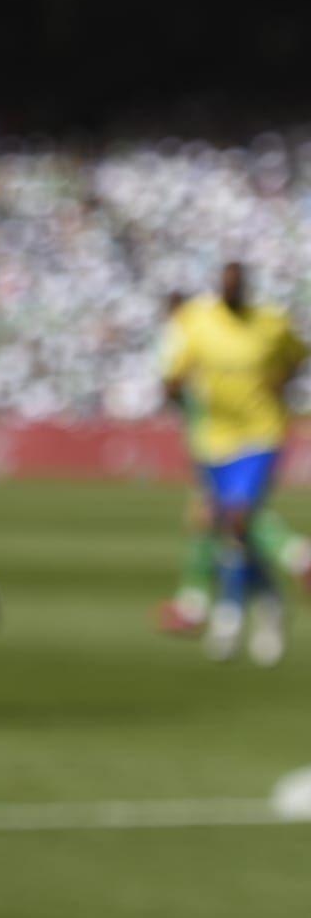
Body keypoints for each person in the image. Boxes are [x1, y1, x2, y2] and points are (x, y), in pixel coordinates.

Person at [161, 260, 308, 664]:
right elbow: (174, 375)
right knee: (228, 529)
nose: (230, 291)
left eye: (237, 285)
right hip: (214, 441)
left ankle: (291, 559)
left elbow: (298, 354)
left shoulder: (272, 323)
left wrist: (282, 381)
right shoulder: (197, 322)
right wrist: (174, 388)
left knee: (238, 517)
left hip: (261, 434)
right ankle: (269, 605)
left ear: (246, 288)